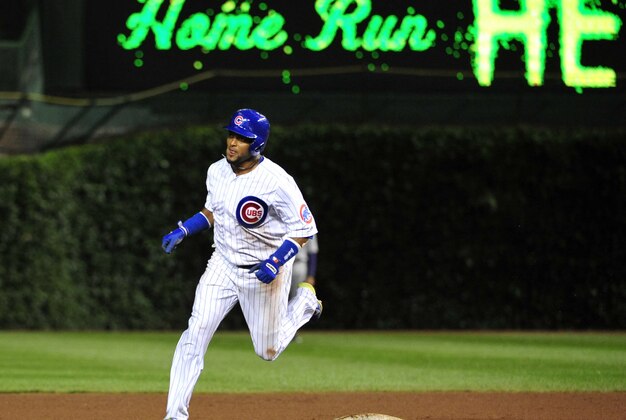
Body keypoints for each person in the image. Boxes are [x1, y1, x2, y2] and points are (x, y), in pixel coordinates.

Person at [160, 108, 321, 420]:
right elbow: (212, 211)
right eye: (231, 134)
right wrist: (184, 229)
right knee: (195, 332)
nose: (232, 142)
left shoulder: (277, 181)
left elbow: (305, 229)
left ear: (257, 144)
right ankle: (175, 416)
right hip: (221, 264)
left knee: (268, 351)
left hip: (263, 272)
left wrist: (276, 261)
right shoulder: (216, 171)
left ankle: (304, 302)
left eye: (242, 138)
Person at [289, 234, 319, 299]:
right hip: (283, 264)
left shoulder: (309, 226)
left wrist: (311, 275)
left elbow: (312, 252)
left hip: (299, 264)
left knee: (297, 297)